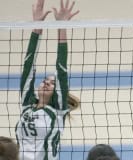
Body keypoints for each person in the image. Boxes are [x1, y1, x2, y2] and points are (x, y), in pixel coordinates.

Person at [15, 0, 80, 160]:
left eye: (52, 83)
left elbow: (62, 70)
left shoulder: (58, 110)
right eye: (45, 80)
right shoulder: (27, 106)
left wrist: (61, 27)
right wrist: (37, 26)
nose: (46, 83)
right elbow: (28, 67)